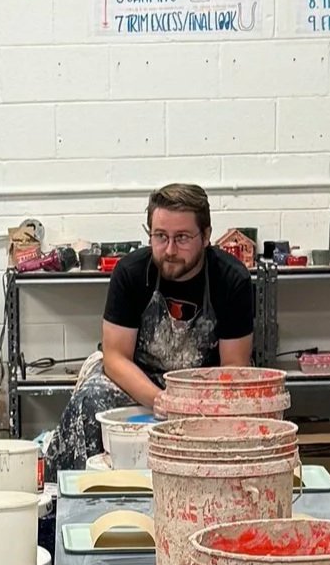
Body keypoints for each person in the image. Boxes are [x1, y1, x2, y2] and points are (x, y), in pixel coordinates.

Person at [46, 182, 258, 473]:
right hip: (137, 379)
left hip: (203, 387)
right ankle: (81, 501)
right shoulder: (131, 273)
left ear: (206, 236)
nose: (169, 250)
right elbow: (115, 358)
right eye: (160, 236)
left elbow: (234, 368)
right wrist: (160, 400)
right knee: (89, 400)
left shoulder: (232, 279)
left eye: (182, 237)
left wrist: (188, 405)